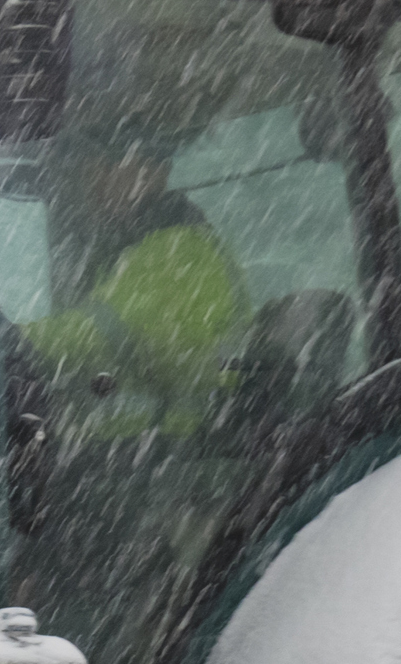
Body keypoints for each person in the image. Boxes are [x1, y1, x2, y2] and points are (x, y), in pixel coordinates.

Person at [28, 128, 253, 440]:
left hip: (181, 445)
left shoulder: (179, 246)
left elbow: (102, 327)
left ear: (151, 171)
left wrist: (11, 339)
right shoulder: (133, 247)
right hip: (147, 444)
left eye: (103, 168)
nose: (90, 182)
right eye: (87, 171)